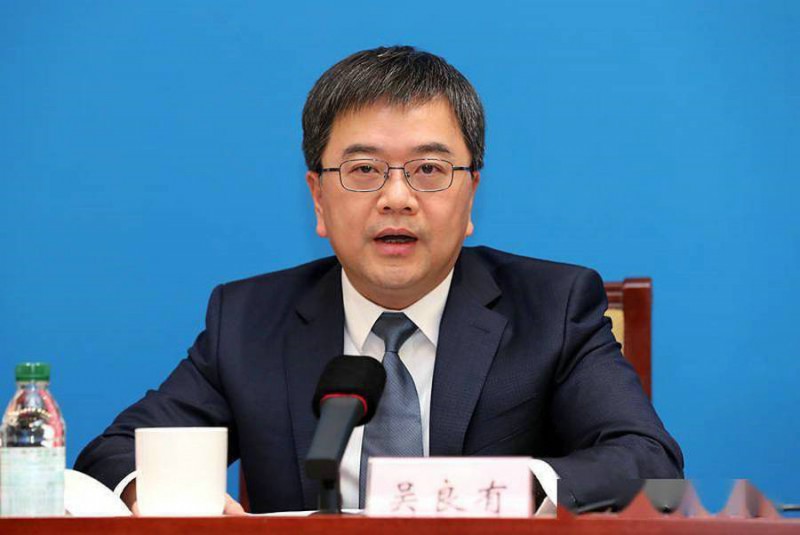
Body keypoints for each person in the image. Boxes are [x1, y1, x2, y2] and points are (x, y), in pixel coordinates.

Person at [75, 45, 683, 514]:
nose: (397, 197)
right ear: (318, 199)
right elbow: (113, 454)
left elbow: (652, 466)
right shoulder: (249, 321)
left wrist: (511, 489)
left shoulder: (552, 308)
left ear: (471, 195)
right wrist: (161, 492)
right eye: (364, 169)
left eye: (429, 169)